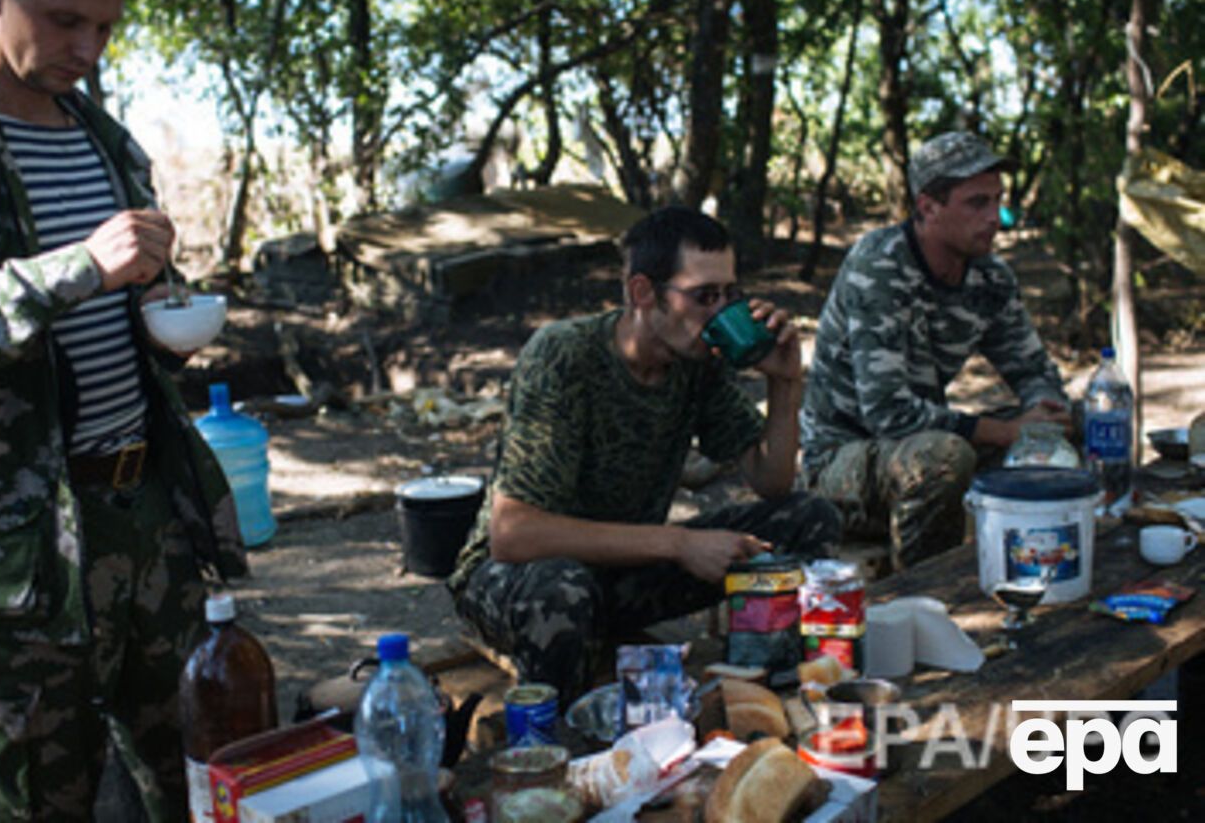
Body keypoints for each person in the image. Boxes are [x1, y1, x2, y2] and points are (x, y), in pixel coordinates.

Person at [0, 0, 246, 820]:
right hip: (16, 542)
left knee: (201, 777)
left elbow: (119, 299)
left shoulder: (105, 140)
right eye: (65, 21)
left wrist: (161, 309)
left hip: (147, 519)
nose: (88, 48)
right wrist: (75, 269)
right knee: (32, 800)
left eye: (105, 27)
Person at [448, 206, 841, 706]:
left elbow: (772, 482)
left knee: (808, 517)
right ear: (642, 293)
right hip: (518, 578)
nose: (720, 312)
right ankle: (562, 751)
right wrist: (678, 543)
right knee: (564, 590)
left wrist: (785, 382)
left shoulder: (696, 359)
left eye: (729, 295)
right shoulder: (564, 356)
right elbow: (512, 535)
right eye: (704, 296)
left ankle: (779, 685)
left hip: (623, 571)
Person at [799, 131, 1071, 570]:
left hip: (920, 445)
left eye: (997, 200)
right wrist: (1004, 432)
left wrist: (1045, 408)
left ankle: (1055, 567)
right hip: (840, 463)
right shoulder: (879, 267)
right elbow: (888, 414)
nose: (994, 218)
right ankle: (926, 595)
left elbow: (1032, 367)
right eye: (977, 203)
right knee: (944, 458)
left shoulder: (990, 277)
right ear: (928, 207)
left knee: (1070, 427)